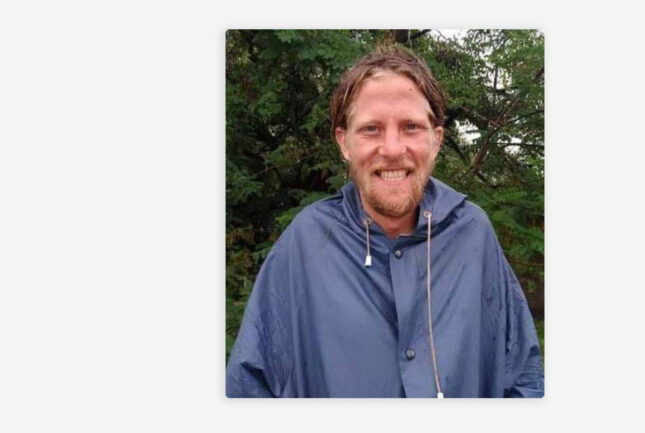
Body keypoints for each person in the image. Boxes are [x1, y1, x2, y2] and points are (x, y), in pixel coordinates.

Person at [226, 44, 544, 398]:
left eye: (411, 126)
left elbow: (524, 381)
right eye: (371, 129)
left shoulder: (473, 236)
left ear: (436, 140)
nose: (392, 149)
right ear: (344, 143)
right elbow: (247, 389)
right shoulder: (307, 244)